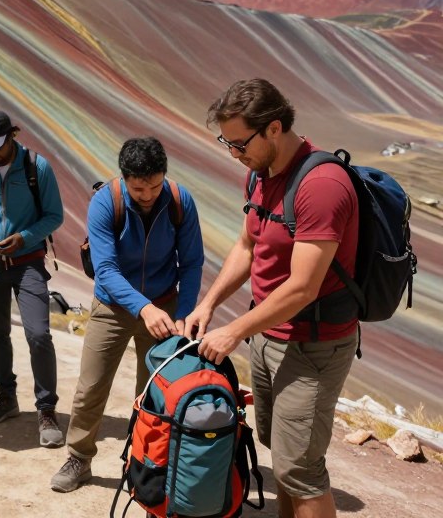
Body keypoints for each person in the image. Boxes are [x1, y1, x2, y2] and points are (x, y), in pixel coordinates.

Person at [183, 79, 359, 518]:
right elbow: (248, 246)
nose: (233, 152)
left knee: (301, 469)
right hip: (267, 335)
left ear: (274, 128)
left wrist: (234, 331)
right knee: (280, 454)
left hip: (312, 345)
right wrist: (208, 304)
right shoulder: (260, 174)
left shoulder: (321, 186)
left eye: (239, 142)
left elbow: (303, 286)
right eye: (226, 141)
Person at [51, 136, 204, 492]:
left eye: (154, 185)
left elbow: (192, 262)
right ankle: (79, 458)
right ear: (124, 179)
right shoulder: (106, 202)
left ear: (164, 175)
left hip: (165, 307)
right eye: (139, 188)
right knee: (91, 387)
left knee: (154, 393)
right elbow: (105, 269)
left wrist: (183, 313)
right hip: (113, 307)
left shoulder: (181, 201)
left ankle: (144, 464)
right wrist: (143, 307)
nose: (148, 194)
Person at [0, 110, 65, 447]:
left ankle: (47, 409)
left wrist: (24, 238)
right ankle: (6, 398)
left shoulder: (38, 167)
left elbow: (54, 216)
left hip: (28, 263)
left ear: (13, 135)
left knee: (38, 334)